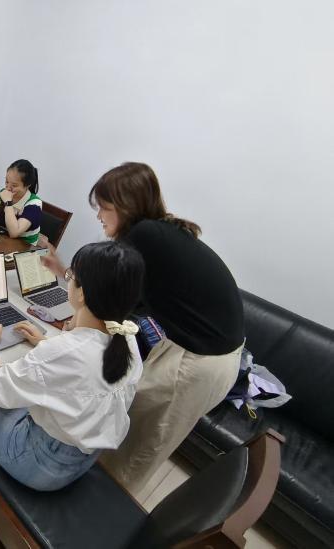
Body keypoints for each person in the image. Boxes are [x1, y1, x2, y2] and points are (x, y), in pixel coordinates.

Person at [41, 162, 244, 494]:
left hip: (201, 360)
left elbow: (108, 297)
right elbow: (119, 298)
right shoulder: (158, 233)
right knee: (127, 420)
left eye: (103, 207)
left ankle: (102, 509)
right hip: (195, 348)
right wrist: (65, 275)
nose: (98, 216)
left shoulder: (144, 236)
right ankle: (92, 490)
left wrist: (74, 324)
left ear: (125, 207)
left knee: (139, 445)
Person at [0, 241, 144, 491]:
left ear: (82, 293)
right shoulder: (128, 340)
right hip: (81, 460)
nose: (67, 280)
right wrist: (44, 344)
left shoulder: (64, 352)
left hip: (40, 466)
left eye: (70, 276)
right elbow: (81, 373)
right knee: (30, 390)